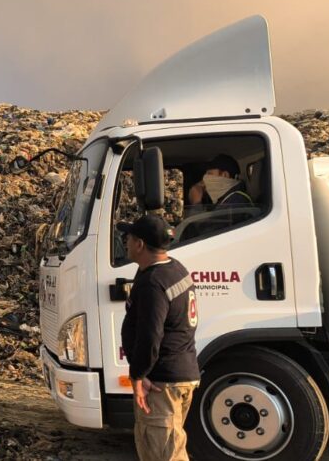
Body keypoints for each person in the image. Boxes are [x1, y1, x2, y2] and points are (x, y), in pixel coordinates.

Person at [118, 214, 200, 461]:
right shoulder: (175, 269)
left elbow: (150, 336)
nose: (126, 242)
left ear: (140, 244)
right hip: (181, 372)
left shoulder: (153, 283)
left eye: (129, 238)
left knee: (164, 455)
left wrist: (138, 376)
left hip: (161, 383)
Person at [186, 154, 253, 210]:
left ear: (225, 175)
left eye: (209, 173)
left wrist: (196, 203)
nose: (205, 178)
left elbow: (210, 223)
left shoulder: (237, 201)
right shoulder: (224, 199)